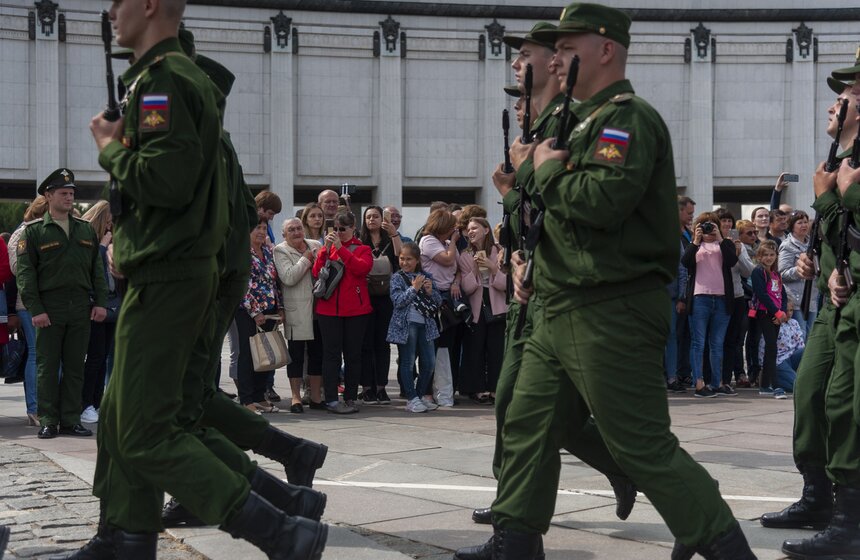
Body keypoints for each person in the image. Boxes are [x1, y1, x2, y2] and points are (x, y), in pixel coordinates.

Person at [479, 5, 757, 558]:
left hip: (610, 305)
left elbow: (602, 203)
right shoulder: (579, 121)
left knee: (640, 445)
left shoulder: (624, 119)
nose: (555, 57)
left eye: (567, 46)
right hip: (560, 304)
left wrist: (539, 168)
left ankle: (720, 540)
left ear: (606, 50)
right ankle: (514, 540)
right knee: (527, 422)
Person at [85, 2, 328, 556]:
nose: (110, 11)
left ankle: (280, 529)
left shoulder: (162, 85)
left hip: (171, 275)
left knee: (148, 427)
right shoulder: (166, 82)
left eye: (121, 1)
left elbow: (165, 185)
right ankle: (125, 535)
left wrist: (110, 150)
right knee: (125, 416)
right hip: (179, 271)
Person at [460, 29, 637, 542]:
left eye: (530, 57)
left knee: (542, 412)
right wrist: (517, 252)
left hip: (575, 300)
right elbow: (536, 224)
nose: (520, 70)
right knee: (516, 405)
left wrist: (516, 193)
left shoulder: (604, 126)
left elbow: (584, 209)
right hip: (532, 295)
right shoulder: (540, 142)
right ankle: (514, 516)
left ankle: (661, 489)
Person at [760, 74, 858, 543]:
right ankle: (817, 495)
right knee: (810, 393)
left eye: (843, 97)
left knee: (846, 406)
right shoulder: (834, 161)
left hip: (853, 305)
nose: (831, 108)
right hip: (834, 303)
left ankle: (848, 518)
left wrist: (829, 196)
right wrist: (817, 259)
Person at [16, 169, 108, 439]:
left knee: (75, 366)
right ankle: (48, 420)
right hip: (50, 307)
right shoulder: (33, 232)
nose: (69, 197)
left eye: (72, 194)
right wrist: (36, 309)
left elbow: (96, 271)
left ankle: (70, 419)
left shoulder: (84, 230)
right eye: (64, 193)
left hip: (80, 306)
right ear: (48, 195)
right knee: (47, 366)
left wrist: (101, 302)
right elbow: (26, 274)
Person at [313, 210, 372, 414]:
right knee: (331, 355)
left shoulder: (362, 248)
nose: (338, 233)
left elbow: (361, 269)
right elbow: (316, 272)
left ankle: (350, 397)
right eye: (336, 229)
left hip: (356, 310)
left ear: (353, 228)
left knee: (353, 355)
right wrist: (326, 249)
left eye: (343, 229)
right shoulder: (328, 248)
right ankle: (331, 399)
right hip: (328, 310)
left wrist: (342, 248)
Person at [681, 212, 738, 397]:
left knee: (717, 343)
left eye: (712, 225)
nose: (708, 228)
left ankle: (717, 383)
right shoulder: (694, 245)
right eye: (704, 225)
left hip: (722, 298)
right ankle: (699, 383)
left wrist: (720, 238)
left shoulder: (725, 244)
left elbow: (731, 261)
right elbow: (685, 262)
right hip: (699, 298)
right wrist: (696, 241)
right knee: (698, 343)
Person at [274, 217, 324, 412]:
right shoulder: (280, 250)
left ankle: (316, 396)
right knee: (296, 356)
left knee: (317, 354)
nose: (296, 232)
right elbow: (289, 278)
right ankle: (295, 397)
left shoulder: (315, 244)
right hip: (296, 311)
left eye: (299, 228)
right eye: (291, 230)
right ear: (284, 234)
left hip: (318, 309)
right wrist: (306, 259)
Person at [387, 242, 442, 413]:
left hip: (426, 325)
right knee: (407, 362)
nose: (405, 262)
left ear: (417, 260)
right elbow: (398, 301)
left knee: (429, 362)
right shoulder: (397, 277)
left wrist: (431, 291)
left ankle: (418, 396)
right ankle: (411, 398)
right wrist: (414, 288)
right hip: (406, 325)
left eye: (409, 259)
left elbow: (439, 302)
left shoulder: (426, 276)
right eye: (402, 259)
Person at [7, 196, 48, 427]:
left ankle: (48, 406)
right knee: (36, 354)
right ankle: (34, 408)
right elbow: (16, 268)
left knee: (49, 356)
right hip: (29, 303)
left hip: (50, 302)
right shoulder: (22, 233)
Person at [236, 219, 284, 413]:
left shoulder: (268, 253)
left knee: (267, 354)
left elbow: (274, 282)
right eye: (258, 228)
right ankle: (246, 399)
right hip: (248, 311)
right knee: (248, 355)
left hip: (270, 310)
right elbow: (242, 285)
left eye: (264, 228)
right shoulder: (241, 254)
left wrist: (280, 307)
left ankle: (259, 396)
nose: (262, 232)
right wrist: (255, 312)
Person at [456, 217, 507, 403]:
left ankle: (495, 388)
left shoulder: (499, 251)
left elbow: (506, 284)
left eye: (474, 228)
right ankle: (477, 389)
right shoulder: (465, 255)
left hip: (497, 305)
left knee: (496, 349)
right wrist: (476, 270)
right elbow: (467, 288)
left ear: (486, 230)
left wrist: (493, 267)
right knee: (474, 348)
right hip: (476, 307)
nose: (470, 232)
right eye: (468, 229)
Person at [80, 201, 121, 425]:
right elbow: (93, 271)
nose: (112, 225)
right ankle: (86, 403)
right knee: (94, 358)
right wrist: (104, 246)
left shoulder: (112, 240)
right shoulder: (89, 241)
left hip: (112, 307)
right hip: (95, 306)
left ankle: (97, 402)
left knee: (104, 358)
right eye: (109, 221)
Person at [358, 205, 401, 404]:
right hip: (365, 296)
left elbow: (401, 260)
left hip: (386, 297)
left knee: (383, 344)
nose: (372, 220)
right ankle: (367, 387)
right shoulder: (360, 240)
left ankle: (381, 387)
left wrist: (394, 234)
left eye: (376, 216)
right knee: (366, 344)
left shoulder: (389, 239)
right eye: (368, 217)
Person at [418, 209, 461, 407]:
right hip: (432, 296)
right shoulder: (429, 241)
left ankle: (444, 390)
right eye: (451, 226)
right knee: (431, 346)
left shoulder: (446, 244)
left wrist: (456, 282)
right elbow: (447, 259)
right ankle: (426, 391)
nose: (455, 229)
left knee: (446, 347)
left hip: (448, 296)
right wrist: (453, 241)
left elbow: (458, 267)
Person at [751, 240, 789, 399]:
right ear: (759, 257)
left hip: (776, 314)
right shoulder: (758, 272)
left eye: (772, 255)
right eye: (765, 255)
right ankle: (775, 385)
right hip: (764, 313)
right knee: (771, 347)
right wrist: (776, 312)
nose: (769, 258)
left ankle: (765, 385)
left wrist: (783, 311)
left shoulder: (776, 274)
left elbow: (783, 294)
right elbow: (761, 294)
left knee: (771, 349)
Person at [779, 210, 818, 337]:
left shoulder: (813, 244)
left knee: (811, 335)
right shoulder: (787, 245)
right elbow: (782, 273)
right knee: (801, 336)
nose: (804, 225)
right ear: (792, 226)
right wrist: (800, 271)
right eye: (799, 222)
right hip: (796, 300)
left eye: (806, 222)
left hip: (812, 298)